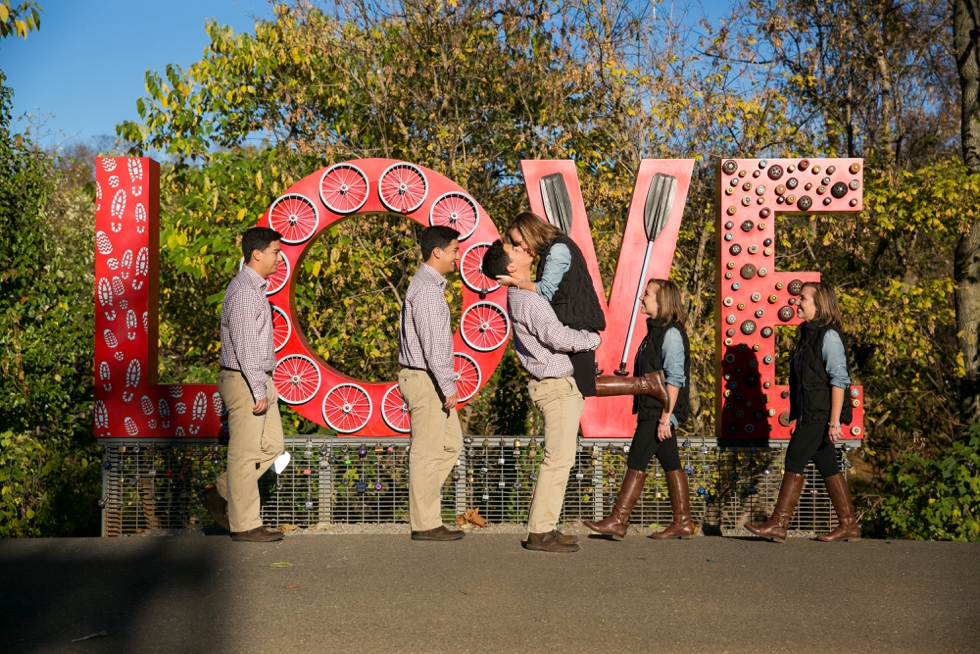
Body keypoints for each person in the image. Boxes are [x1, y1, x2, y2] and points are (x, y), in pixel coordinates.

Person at [482, 241, 667, 552]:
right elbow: (556, 336)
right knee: (557, 460)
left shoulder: (521, 294)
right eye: (515, 248)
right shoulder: (530, 299)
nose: (524, 248)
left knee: (559, 459)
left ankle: (545, 528)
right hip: (555, 386)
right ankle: (541, 532)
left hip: (551, 384)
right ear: (511, 267)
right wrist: (590, 339)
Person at [745, 281, 860, 543]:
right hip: (810, 412)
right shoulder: (808, 335)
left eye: (803, 298)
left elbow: (839, 379)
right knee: (829, 466)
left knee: (795, 459)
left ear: (820, 304)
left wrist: (834, 423)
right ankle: (849, 525)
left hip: (821, 414)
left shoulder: (828, 335)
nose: (797, 302)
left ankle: (779, 523)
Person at [584, 279, 696, 540]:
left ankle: (618, 520)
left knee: (636, 460)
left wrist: (666, 418)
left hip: (658, 411)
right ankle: (684, 522)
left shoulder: (671, 333)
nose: (642, 298)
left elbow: (675, 378)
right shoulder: (655, 332)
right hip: (653, 408)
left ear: (662, 301)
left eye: (647, 294)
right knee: (671, 463)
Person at [200, 227, 288, 542]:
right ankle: (246, 525)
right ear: (257, 254)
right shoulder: (243, 292)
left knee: (272, 446)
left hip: (259, 377)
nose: (280, 257)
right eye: (276, 251)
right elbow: (245, 345)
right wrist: (257, 387)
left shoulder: (255, 290)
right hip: (245, 379)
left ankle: (220, 492)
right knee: (245, 453)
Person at [399, 226, 466, 542]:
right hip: (426, 378)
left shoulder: (429, 286)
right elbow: (433, 344)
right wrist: (447, 384)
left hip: (429, 378)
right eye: (454, 249)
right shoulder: (426, 289)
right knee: (426, 453)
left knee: (451, 443)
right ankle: (425, 522)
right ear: (437, 251)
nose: (457, 256)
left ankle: (421, 501)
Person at [495, 212, 606, 397]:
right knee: (580, 389)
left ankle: (639, 385)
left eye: (519, 242)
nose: (520, 248)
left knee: (583, 388)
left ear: (530, 231)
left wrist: (516, 282)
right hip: (571, 324)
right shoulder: (547, 254)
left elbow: (545, 290)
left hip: (578, 325)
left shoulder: (559, 249)